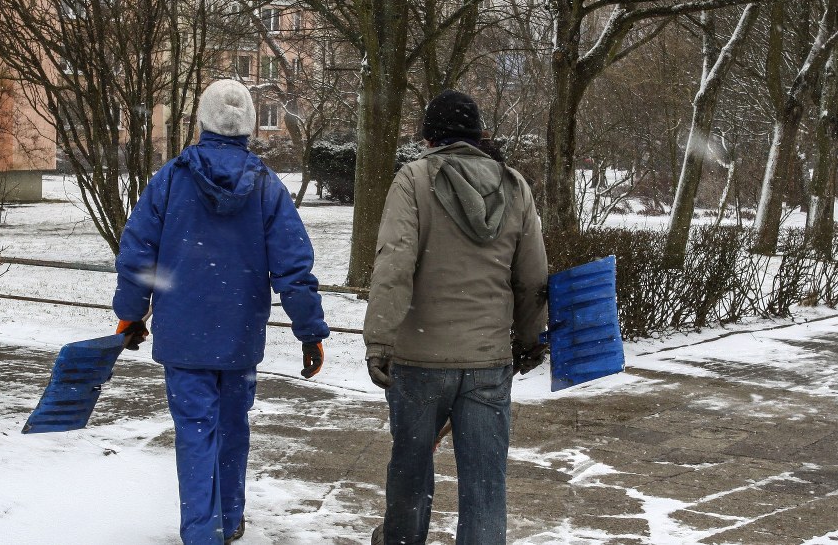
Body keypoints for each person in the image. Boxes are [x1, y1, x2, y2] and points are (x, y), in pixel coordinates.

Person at [113, 79, 330, 545]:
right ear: (250, 124)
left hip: (184, 335)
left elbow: (137, 256)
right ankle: (229, 521)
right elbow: (293, 266)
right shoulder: (267, 188)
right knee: (233, 429)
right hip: (239, 335)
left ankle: (201, 531)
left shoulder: (171, 179)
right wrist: (309, 331)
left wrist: (130, 316)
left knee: (195, 433)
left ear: (202, 121)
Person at [363, 88, 549, 545]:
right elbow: (532, 276)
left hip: (419, 358)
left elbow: (394, 264)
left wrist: (380, 340)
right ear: (479, 134)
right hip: (488, 359)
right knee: (485, 482)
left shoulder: (413, 180)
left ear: (429, 137)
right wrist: (529, 339)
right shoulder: (514, 185)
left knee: (410, 469)